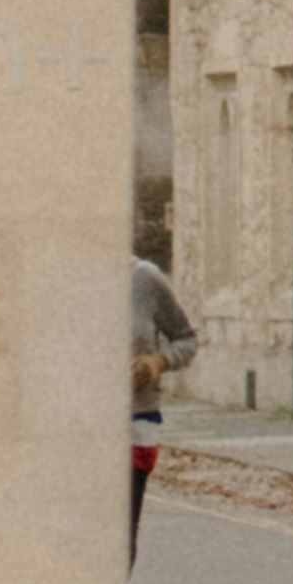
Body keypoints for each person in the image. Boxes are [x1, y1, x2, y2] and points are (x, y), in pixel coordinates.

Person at [128, 235, 194, 558]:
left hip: (135, 421)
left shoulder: (144, 279)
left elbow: (186, 339)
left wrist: (157, 362)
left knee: (121, 533)